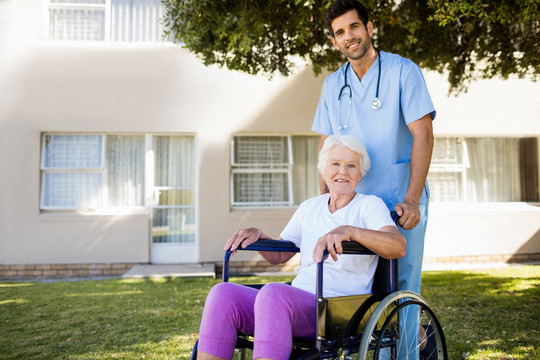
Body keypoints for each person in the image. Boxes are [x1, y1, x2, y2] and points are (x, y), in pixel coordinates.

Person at [196, 135, 406, 360]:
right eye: (335, 164)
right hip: (296, 301)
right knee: (223, 294)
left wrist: (350, 231)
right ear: (324, 170)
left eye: (351, 165)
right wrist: (258, 236)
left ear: (360, 173)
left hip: (339, 307)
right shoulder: (310, 207)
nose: (342, 171)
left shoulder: (369, 205)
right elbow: (281, 254)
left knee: (273, 293)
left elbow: (397, 246)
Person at [313, 0, 435, 316]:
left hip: (398, 201)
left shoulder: (403, 71)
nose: (348, 36)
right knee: (354, 290)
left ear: (369, 28)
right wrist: (324, 204)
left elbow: (423, 134)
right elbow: (326, 148)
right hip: (353, 205)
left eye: (354, 26)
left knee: (401, 290)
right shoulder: (332, 85)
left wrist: (412, 199)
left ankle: (407, 352)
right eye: (340, 32)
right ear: (334, 41)